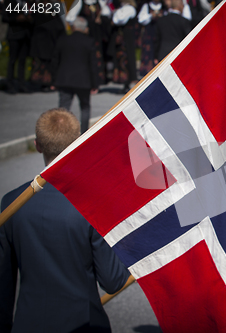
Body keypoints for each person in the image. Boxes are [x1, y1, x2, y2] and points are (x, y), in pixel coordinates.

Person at [0, 108, 131, 333]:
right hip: (85, 323)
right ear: (77, 143)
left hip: (28, 324)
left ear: (37, 145)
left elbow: (3, 286)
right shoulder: (92, 205)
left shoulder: (11, 204)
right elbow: (113, 281)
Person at [51, 16, 99, 134]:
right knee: (85, 108)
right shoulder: (89, 42)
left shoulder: (63, 40)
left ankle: (60, 133)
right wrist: (95, 84)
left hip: (64, 79)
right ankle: (83, 133)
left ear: (73, 27)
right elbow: (93, 64)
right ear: (84, 29)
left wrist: (53, 80)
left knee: (63, 108)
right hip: (83, 81)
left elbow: (55, 61)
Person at [2, 0, 33, 94]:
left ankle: (22, 85)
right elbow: (4, 18)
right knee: (12, 60)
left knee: (22, 61)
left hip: (25, 35)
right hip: (14, 35)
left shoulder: (27, 3)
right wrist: (16, 18)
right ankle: (10, 85)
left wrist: (29, 18)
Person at [109, 0, 138, 93]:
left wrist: (116, 15)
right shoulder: (122, 9)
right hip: (122, 38)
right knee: (121, 58)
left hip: (127, 38)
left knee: (128, 58)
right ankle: (124, 82)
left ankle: (128, 81)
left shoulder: (130, 8)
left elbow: (119, 19)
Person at [138, 0, 166, 76]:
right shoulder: (146, 6)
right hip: (149, 33)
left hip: (161, 33)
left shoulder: (164, 6)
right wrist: (151, 16)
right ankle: (147, 73)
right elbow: (141, 19)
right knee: (148, 53)